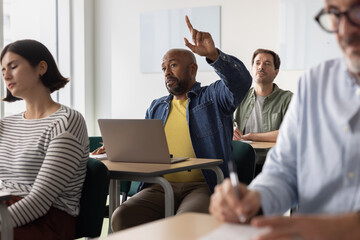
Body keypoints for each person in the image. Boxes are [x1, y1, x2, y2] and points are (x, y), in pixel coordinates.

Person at [209, 0, 360, 239]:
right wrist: (255, 199)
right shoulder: (315, 83)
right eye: (334, 14)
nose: (344, 30)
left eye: (356, 11)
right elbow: (286, 170)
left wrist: (343, 227)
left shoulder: (287, 97)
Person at [110, 16, 251, 231]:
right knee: (121, 216)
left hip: (202, 186)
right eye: (164, 67)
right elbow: (144, 150)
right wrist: (116, 150)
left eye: (173, 65)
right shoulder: (156, 107)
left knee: (184, 226)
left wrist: (213, 55)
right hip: (159, 186)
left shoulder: (212, 97)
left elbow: (241, 83)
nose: (167, 71)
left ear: (193, 69)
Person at [0, 39, 89, 239]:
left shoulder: (66, 121)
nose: (6, 75)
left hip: (47, 220)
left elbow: (39, 202)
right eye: (3, 69)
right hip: (6, 212)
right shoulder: (5, 124)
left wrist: (1, 223)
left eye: (13, 66)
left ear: (41, 67)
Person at [233, 49, 293, 143]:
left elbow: (291, 132)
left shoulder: (288, 99)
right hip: (243, 156)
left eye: (267, 63)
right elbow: (226, 125)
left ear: (276, 72)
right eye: (257, 63)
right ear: (252, 70)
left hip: (274, 156)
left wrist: (252, 136)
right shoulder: (240, 97)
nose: (261, 67)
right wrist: (232, 131)